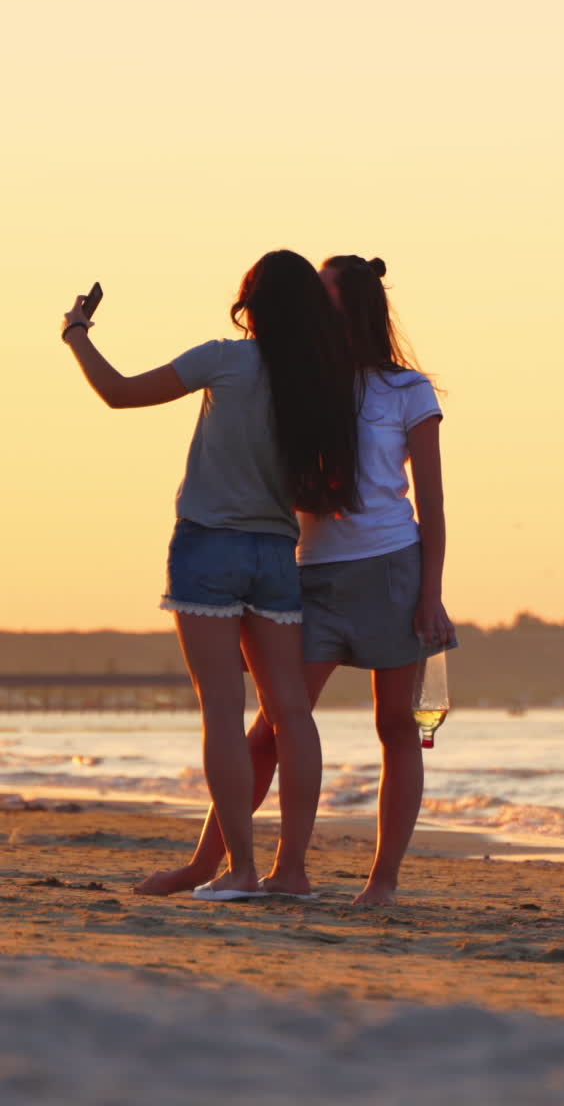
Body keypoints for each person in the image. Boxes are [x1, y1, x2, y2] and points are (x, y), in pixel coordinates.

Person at [136, 254, 455, 906]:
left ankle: (383, 881)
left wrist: (432, 595)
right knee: (272, 727)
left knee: (400, 726)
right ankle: (210, 863)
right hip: (307, 572)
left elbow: (433, 504)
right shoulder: (300, 379)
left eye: (323, 295)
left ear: (351, 305)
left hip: (391, 571)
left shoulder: (407, 390)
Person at [62, 250, 358, 901]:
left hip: (207, 549)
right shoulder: (324, 380)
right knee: (291, 716)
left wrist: (77, 334)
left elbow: (119, 393)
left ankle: (243, 872)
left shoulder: (226, 358)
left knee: (223, 714)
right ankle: (294, 873)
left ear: (250, 300)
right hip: (277, 554)